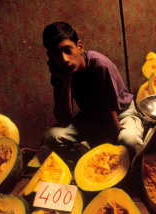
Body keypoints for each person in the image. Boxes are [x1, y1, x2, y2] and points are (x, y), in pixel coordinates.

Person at [42, 21, 144, 165]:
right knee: (52, 136)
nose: (64, 59)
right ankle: (86, 164)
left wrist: (109, 154)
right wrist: (66, 82)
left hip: (120, 115)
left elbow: (111, 119)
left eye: (68, 50)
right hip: (91, 117)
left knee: (128, 140)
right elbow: (64, 119)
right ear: (50, 57)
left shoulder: (99, 65)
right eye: (57, 55)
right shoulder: (60, 73)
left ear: (79, 46)